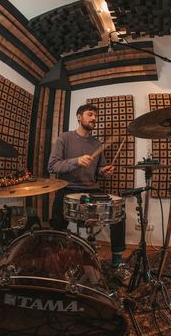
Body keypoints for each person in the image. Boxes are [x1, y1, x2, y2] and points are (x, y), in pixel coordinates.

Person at [48, 103, 126, 268]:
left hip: (92, 189)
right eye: (90, 114)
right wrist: (76, 161)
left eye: (95, 116)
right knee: (57, 222)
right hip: (68, 188)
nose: (94, 118)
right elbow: (52, 166)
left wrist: (103, 171)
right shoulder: (65, 138)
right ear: (79, 117)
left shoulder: (97, 144)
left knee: (118, 212)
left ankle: (117, 259)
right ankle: (56, 257)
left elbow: (98, 170)